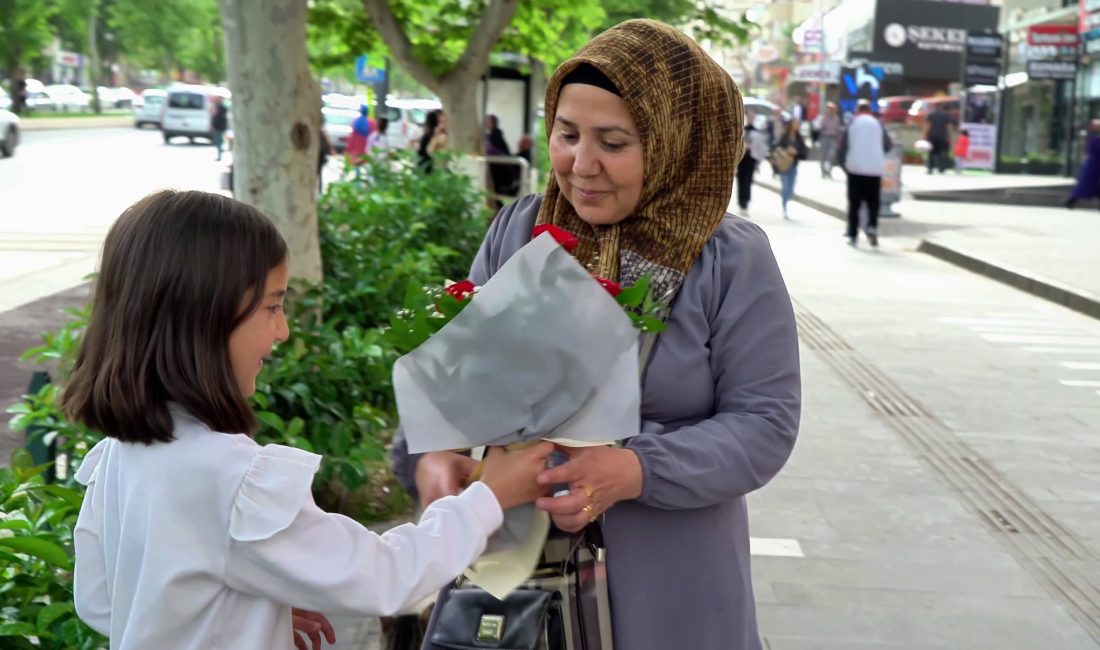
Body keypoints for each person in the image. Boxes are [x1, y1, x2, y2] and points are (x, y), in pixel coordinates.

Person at [392, 19, 801, 650]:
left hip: (669, 597)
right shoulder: (521, 228)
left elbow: (764, 424)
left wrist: (634, 469)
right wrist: (432, 456)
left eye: (613, 142)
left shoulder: (729, 259)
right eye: (566, 134)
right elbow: (454, 381)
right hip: (511, 587)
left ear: (673, 142)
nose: (581, 165)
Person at [62, 189, 555, 650]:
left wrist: (252, 599)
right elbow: (386, 577)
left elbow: (101, 601)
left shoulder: (120, 455)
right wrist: (488, 498)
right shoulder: (231, 477)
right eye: (272, 307)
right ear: (203, 319)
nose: (282, 330)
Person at [837, 99, 892, 247]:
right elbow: (888, 145)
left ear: (857, 110)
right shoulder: (878, 124)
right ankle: (872, 226)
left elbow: (842, 147)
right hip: (874, 170)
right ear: (869, 110)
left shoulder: (852, 124)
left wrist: (843, 165)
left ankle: (853, 234)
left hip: (855, 169)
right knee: (873, 202)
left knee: (854, 204)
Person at [774, 118, 808, 219]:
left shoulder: (799, 138)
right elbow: (777, 147)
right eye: (795, 123)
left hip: (793, 165)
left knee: (791, 189)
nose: (797, 125)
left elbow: (804, 153)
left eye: (798, 123)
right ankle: (784, 207)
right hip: (784, 165)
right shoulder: (784, 136)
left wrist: (796, 152)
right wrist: (787, 150)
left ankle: (786, 200)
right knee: (785, 187)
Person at [736, 117, 767, 217]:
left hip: (751, 159)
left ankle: (745, 203)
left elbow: (761, 148)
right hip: (741, 159)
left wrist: (758, 162)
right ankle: (741, 202)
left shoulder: (757, 132)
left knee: (748, 181)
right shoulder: (742, 130)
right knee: (741, 181)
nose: (751, 119)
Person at [485, 114, 520, 201]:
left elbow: (494, 151)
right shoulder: (495, 135)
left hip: (501, 171)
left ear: (492, 123)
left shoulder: (494, 136)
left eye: (487, 121)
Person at [1067, 119, 1100, 209]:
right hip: (1094, 165)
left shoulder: (1094, 137)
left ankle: (1071, 200)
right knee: (1087, 183)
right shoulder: (1094, 138)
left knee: (1090, 185)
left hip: (1094, 165)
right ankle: (1071, 201)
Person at [924, 103, 952, 174]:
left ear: (935, 107)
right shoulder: (945, 115)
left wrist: (925, 134)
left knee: (931, 153)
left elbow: (929, 125)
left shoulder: (931, 115)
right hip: (942, 136)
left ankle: (930, 169)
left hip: (932, 136)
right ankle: (941, 169)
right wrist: (948, 136)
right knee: (941, 153)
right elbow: (948, 127)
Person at [817, 102, 842, 179]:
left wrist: (838, 141)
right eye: (829, 109)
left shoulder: (837, 118)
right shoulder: (823, 117)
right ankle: (823, 172)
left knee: (831, 156)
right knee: (823, 156)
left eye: (832, 109)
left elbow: (838, 131)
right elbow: (820, 128)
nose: (831, 110)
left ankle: (829, 171)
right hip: (825, 138)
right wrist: (825, 118)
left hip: (833, 139)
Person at [211, 96, 229, 161]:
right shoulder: (220, 108)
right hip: (220, 126)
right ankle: (220, 152)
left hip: (219, 127)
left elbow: (217, 118)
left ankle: (220, 154)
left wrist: (213, 125)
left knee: (218, 141)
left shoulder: (221, 108)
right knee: (219, 140)